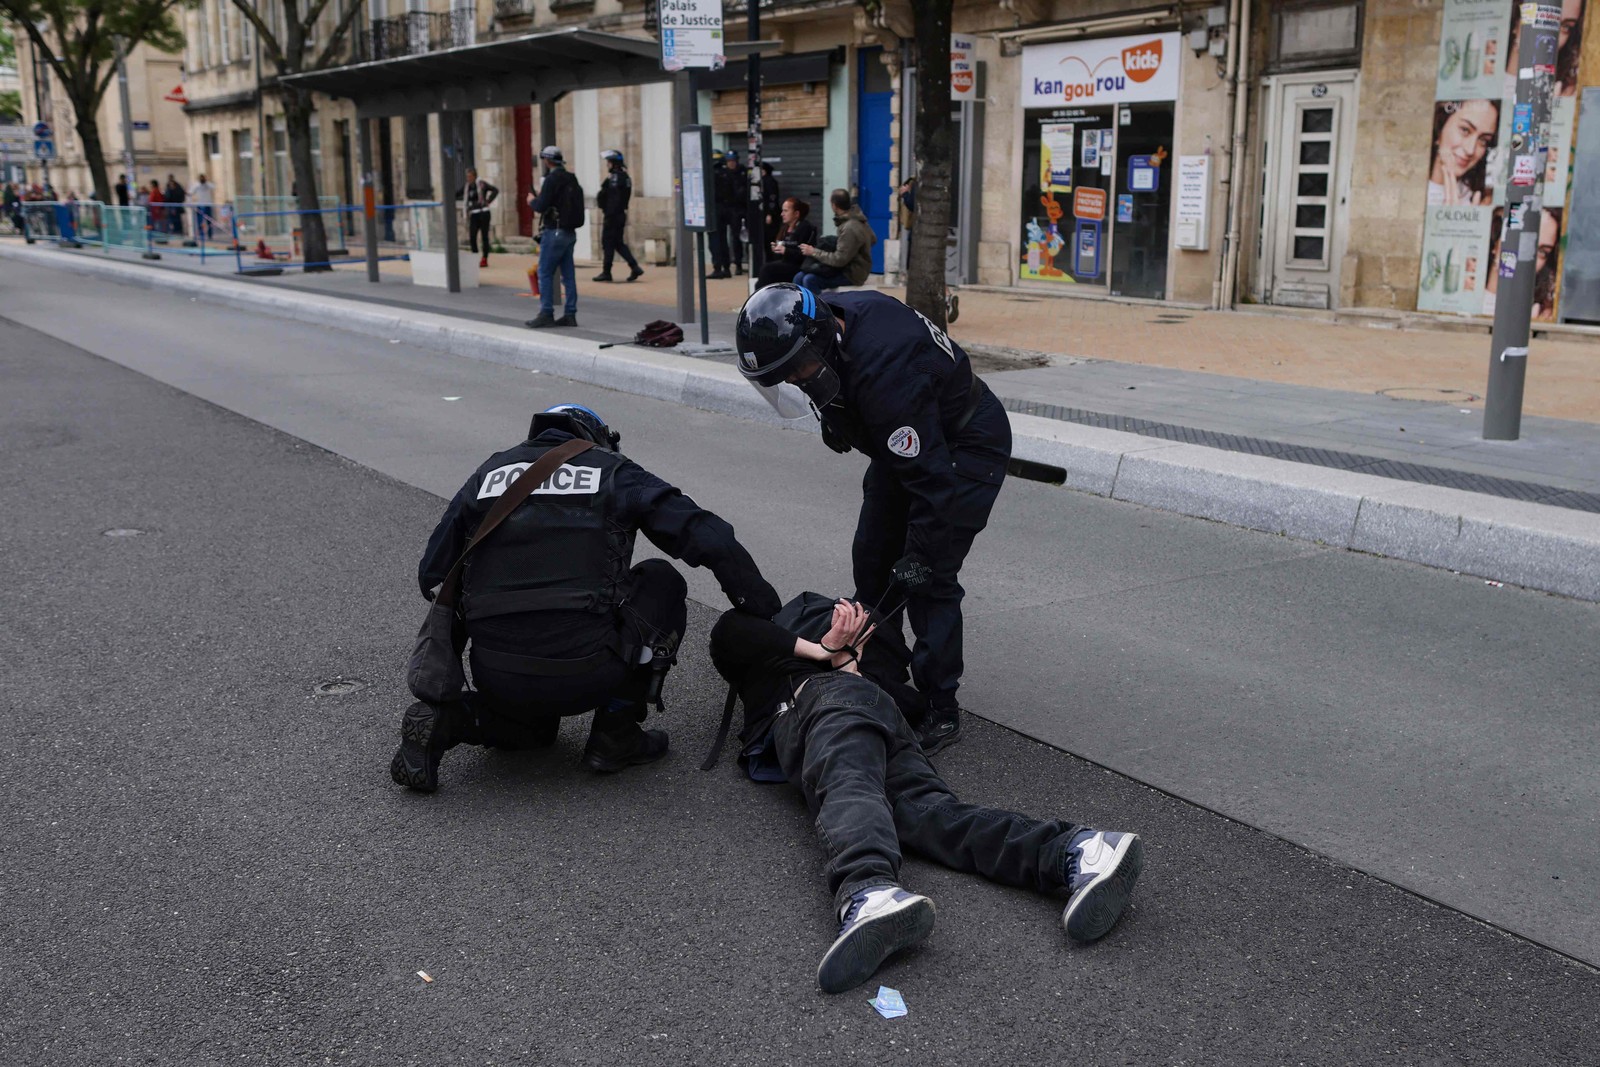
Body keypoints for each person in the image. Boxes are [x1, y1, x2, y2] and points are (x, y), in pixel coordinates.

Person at [709, 595, 1144, 994]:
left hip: (830, 703)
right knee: (931, 815)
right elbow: (732, 631)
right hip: (876, 712)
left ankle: (867, 891)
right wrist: (831, 655)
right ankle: (1079, 850)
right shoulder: (777, 649)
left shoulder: (792, 672)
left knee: (849, 783)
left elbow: (729, 631)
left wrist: (838, 664)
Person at [392, 403, 783, 793]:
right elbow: (705, 533)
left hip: (497, 670)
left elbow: (432, 572)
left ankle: (447, 721)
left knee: (532, 732)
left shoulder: (490, 473)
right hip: (588, 669)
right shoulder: (612, 470)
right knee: (661, 579)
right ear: (595, 436)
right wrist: (761, 608)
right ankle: (616, 733)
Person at [734, 284, 1011, 755]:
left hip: (963, 446)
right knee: (872, 561)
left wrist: (920, 556)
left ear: (823, 341)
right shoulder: (826, 314)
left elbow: (932, 485)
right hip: (907, 440)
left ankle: (940, 706)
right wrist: (832, 411)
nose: (797, 381)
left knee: (928, 578)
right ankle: (881, 672)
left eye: (799, 371)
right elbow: (829, 373)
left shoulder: (889, 376)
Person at [524, 146, 584, 329]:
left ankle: (546, 313)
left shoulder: (551, 180)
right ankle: (570, 314)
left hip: (554, 231)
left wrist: (531, 201)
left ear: (547, 161)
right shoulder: (571, 178)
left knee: (544, 272)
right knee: (568, 275)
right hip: (569, 233)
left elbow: (541, 206)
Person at [795, 189, 876, 292]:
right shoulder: (858, 218)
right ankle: (801, 306)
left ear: (834, 206)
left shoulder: (849, 227)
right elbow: (873, 239)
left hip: (852, 274)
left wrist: (813, 252)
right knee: (799, 276)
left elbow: (839, 259)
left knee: (810, 280)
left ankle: (819, 307)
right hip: (847, 267)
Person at [1427, 99, 1498, 206]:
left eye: (1483, 140)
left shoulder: (1480, 201)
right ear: (1440, 126)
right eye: (1465, 130)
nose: (1470, 150)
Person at [593, 148, 644, 283]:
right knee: (617, 243)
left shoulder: (616, 178)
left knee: (608, 242)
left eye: (608, 162)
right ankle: (634, 266)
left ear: (614, 163)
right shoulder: (625, 177)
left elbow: (612, 197)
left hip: (613, 215)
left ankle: (606, 272)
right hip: (620, 214)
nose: (607, 165)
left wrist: (608, 213)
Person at [755, 196, 818, 289]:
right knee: (764, 273)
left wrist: (785, 251)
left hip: (799, 265)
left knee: (767, 270)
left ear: (796, 213)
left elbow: (802, 255)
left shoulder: (805, 228)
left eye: (785, 211)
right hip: (786, 263)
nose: (782, 214)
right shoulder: (785, 228)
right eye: (782, 211)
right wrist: (776, 249)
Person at [460, 166, 499, 269]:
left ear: (474, 176)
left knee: (484, 236)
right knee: (472, 237)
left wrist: (488, 201)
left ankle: (484, 258)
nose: (468, 178)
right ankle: (475, 257)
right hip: (473, 213)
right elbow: (457, 194)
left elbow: (495, 190)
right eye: (467, 176)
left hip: (483, 212)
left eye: (470, 176)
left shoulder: (481, 184)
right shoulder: (467, 187)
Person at [715, 151, 746, 277]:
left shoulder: (742, 173)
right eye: (729, 161)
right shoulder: (721, 173)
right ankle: (725, 266)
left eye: (733, 161)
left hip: (736, 209)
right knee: (722, 239)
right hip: (724, 208)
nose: (731, 163)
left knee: (736, 238)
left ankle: (738, 264)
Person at [188, 173, 217, 241]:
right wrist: (190, 202)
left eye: (203, 178)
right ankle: (201, 235)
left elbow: (213, 187)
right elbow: (190, 193)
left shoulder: (208, 184)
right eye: (201, 178)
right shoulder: (196, 185)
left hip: (208, 205)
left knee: (209, 221)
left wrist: (206, 182)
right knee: (200, 221)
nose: (202, 180)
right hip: (200, 205)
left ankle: (210, 235)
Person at [759, 161, 781, 246]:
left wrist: (770, 214)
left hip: (770, 214)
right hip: (765, 213)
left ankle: (771, 258)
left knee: (770, 237)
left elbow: (772, 199)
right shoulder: (763, 181)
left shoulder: (769, 181)